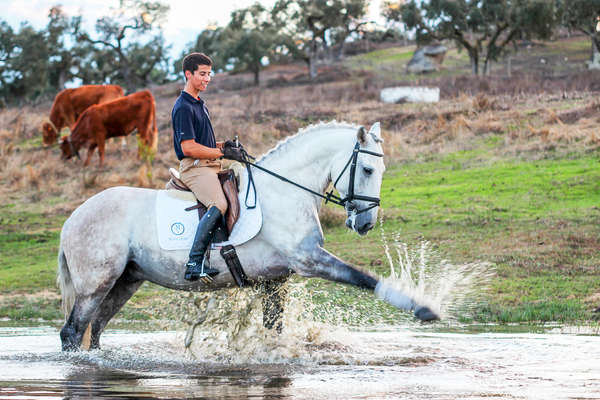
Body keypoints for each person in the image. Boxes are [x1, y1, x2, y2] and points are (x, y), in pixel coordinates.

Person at [172, 52, 244, 281]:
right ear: (188, 74)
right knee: (219, 203)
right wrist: (221, 152)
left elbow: (206, 143)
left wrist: (225, 145)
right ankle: (194, 263)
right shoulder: (183, 106)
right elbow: (189, 148)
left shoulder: (199, 104)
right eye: (202, 74)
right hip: (194, 168)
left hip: (209, 165)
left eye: (209, 74)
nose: (207, 79)